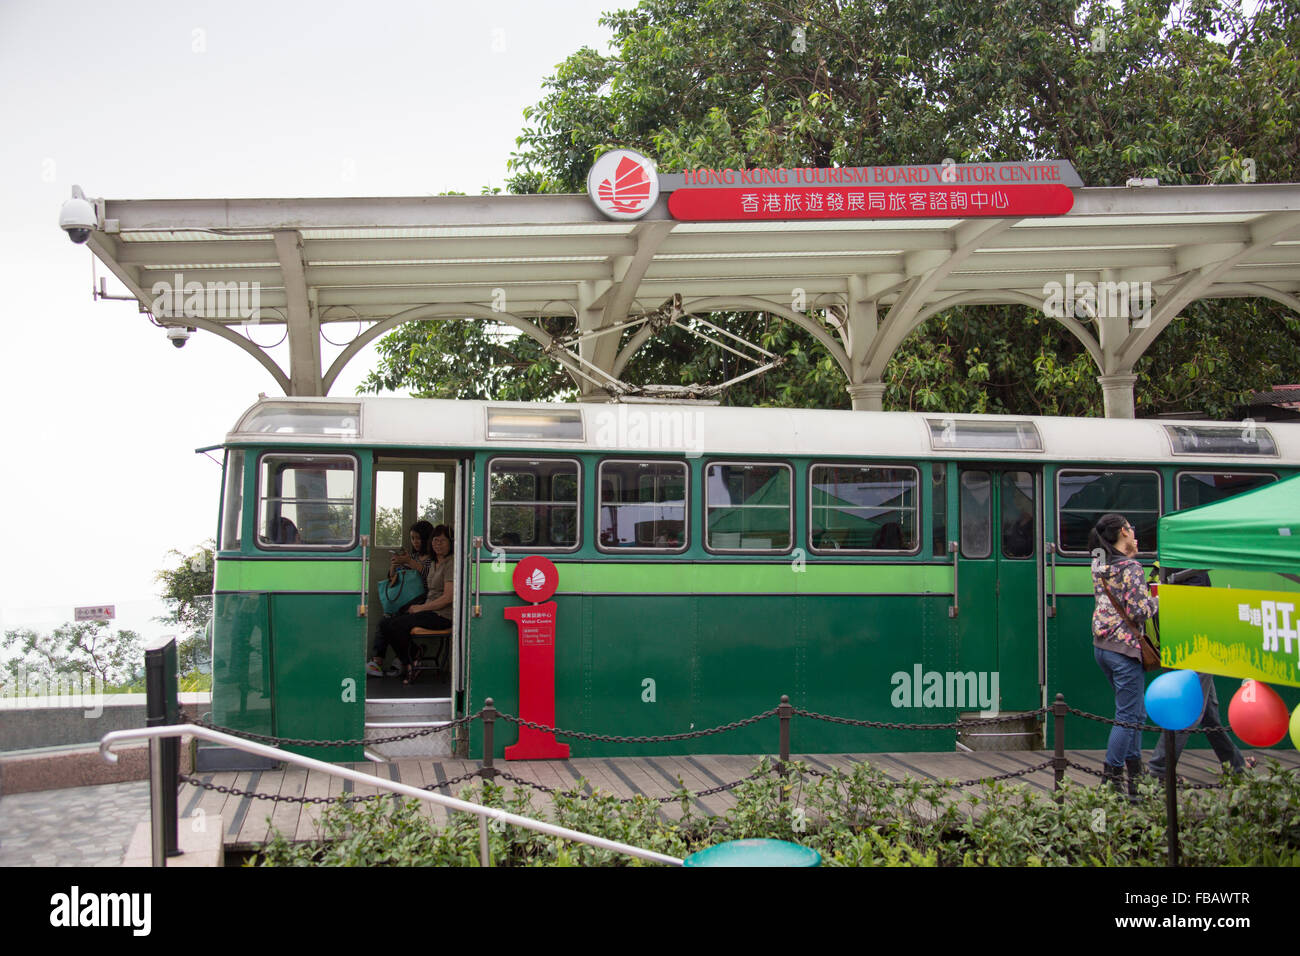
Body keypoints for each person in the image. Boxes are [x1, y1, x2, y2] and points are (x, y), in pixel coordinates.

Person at [1089, 512, 1157, 797]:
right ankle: (1112, 778)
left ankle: (1134, 777)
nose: (1134, 532)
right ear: (1123, 532)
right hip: (1125, 648)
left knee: (1136, 713)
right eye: (1131, 528)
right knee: (1128, 715)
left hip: (1103, 646)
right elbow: (1139, 611)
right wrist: (1159, 599)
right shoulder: (1132, 568)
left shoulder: (1098, 563)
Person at [381, 524, 456, 685]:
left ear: (451, 543)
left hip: (442, 615)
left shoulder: (451, 563)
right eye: (435, 540)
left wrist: (420, 608)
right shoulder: (435, 562)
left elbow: (448, 598)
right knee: (386, 623)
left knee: (396, 626)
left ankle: (410, 663)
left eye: (442, 541)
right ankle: (415, 657)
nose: (438, 544)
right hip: (429, 610)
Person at [366, 520, 434, 677]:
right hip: (405, 601)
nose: (415, 542)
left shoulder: (433, 559)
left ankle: (395, 658)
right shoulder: (411, 556)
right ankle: (405, 655)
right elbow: (393, 579)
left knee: (389, 621)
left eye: (418, 538)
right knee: (387, 619)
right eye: (412, 538)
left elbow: (430, 578)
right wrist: (394, 565)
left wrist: (410, 562)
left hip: (424, 600)